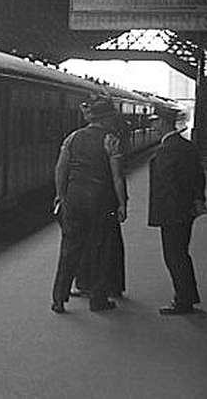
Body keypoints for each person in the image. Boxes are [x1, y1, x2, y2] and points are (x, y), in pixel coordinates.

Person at [51, 95, 128, 314]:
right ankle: (98, 299)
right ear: (107, 119)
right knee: (101, 249)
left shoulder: (72, 138)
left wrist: (60, 195)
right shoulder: (111, 140)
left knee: (69, 249)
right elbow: (117, 177)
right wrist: (122, 204)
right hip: (100, 199)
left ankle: (59, 298)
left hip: (74, 198)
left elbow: (60, 169)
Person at [148, 112, 207, 315]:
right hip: (187, 210)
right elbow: (200, 176)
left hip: (172, 213)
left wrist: (164, 214)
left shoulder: (166, 150)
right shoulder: (187, 146)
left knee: (173, 256)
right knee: (182, 254)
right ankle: (188, 297)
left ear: (164, 123)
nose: (153, 126)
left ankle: (183, 300)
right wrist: (198, 200)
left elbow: (167, 186)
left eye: (155, 122)